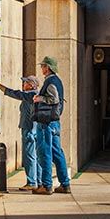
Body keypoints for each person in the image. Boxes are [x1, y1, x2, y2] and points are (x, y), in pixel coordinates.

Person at [0, 75, 41, 191]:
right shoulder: (37, 95)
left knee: (29, 156)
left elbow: (13, 93)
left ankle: (32, 182)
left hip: (29, 129)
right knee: (37, 157)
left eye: (25, 83)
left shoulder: (30, 95)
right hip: (35, 129)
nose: (23, 84)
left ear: (31, 85)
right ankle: (39, 181)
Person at [32, 56, 71, 195]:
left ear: (47, 67)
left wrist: (39, 98)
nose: (41, 68)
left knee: (45, 153)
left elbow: (53, 99)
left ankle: (47, 186)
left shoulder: (51, 82)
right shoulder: (57, 81)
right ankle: (65, 184)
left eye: (42, 66)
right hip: (54, 122)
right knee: (57, 152)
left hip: (46, 123)